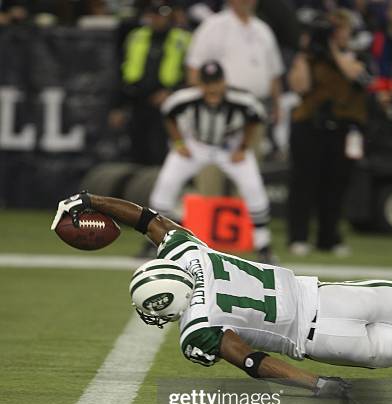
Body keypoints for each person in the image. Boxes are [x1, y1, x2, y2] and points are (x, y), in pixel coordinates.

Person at [51, 191, 392, 396]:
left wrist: (316, 384)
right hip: (329, 298)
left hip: (324, 339)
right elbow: (147, 219)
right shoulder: (190, 255)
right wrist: (89, 199)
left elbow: (253, 362)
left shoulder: (198, 329)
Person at [149, 60, 275, 262]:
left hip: (229, 146)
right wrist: (179, 142)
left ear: (224, 82)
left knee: (253, 188)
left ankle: (263, 245)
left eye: (216, 82)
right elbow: (168, 115)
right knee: (166, 185)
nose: (212, 88)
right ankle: (155, 240)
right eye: (207, 83)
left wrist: (243, 147)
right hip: (197, 145)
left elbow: (255, 119)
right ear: (200, 83)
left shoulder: (242, 100)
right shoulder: (184, 98)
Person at [287, 9, 371, 256]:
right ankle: (298, 237)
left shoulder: (356, 55)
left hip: (343, 128)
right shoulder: (310, 57)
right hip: (309, 126)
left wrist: (333, 49)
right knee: (303, 184)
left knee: (335, 185)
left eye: (339, 29)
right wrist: (306, 53)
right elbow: (300, 86)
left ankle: (329, 238)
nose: (333, 34)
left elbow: (354, 74)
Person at [186, 0, 284, 195]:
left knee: (248, 176)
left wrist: (277, 105)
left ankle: (239, 224)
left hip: (253, 110)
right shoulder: (214, 25)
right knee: (211, 173)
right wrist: (206, 102)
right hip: (218, 108)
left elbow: (273, 74)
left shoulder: (263, 30)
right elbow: (193, 69)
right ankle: (206, 220)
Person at [109, 0, 191, 165]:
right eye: (154, 14)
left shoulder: (183, 39)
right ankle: (136, 189)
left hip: (168, 106)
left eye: (162, 14)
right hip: (137, 102)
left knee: (161, 153)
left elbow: (190, 76)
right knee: (136, 152)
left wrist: (171, 92)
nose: (158, 19)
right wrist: (117, 106)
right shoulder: (135, 36)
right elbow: (121, 72)